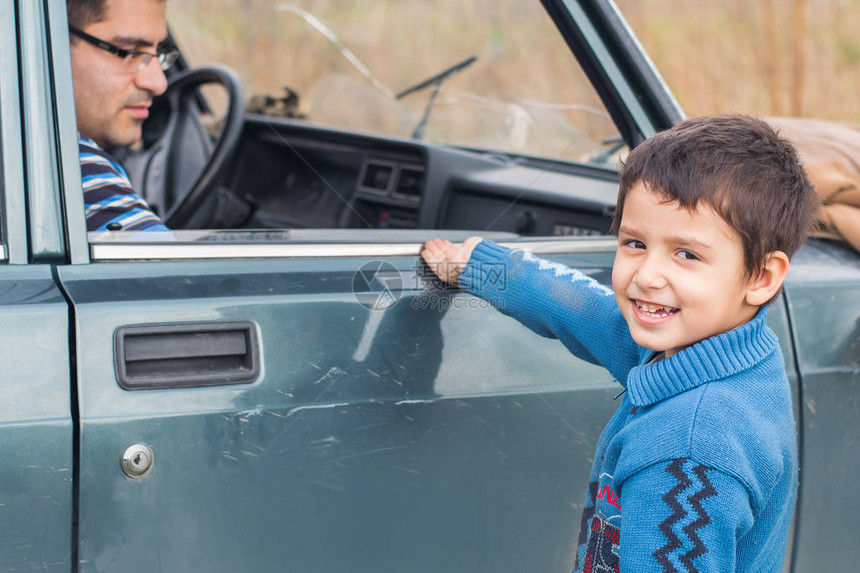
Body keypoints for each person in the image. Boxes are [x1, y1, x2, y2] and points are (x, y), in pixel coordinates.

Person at [420, 115, 819, 572]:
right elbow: (584, 312)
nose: (646, 276)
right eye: (634, 243)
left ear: (762, 277)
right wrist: (482, 266)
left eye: (686, 254)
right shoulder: (724, 357)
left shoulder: (685, 452)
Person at [68, 0, 175, 231]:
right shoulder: (72, 170)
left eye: (159, 53)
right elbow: (171, 268)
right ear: (51, 44)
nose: (158, 83)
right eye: (129, 53)